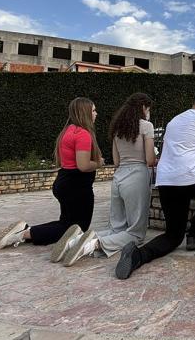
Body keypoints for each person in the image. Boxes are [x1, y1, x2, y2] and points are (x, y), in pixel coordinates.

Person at [115, 87, 195, 280]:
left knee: (173, 236)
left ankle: (138, 256)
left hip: (166, 179)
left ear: (194, 101)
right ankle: (194, 234)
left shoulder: (174, 120)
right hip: (190, 177)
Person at [0, 97, 104, 255]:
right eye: (93, 110)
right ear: (84, 112)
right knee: (76, 228)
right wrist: (99, 162)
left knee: (66, 223)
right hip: (77, 186)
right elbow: (83, 165)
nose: (96, 113)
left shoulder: (68, 130)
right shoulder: (83, 134)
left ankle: (25, 231)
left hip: (64, 181)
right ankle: (24, 234)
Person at [61, 93, 157, 266]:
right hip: (137, 177)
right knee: (136, 234)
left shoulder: (118, 128)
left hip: (119, 178)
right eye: (148, 109)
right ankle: (94, 244)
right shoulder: (146, 126)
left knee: (117, 228)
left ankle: (75, 241)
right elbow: (150, 160)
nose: (148, 112)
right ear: (143, 107)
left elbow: (117, 161)